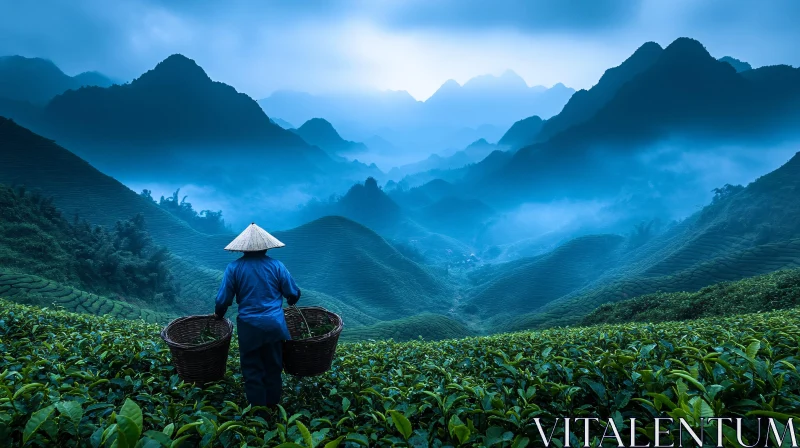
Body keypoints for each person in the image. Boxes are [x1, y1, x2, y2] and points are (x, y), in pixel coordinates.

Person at [213, 223, 301, 408]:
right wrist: (292, 300)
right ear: (266, 246)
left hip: (249, 326)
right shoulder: (277, 266)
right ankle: (273, 411)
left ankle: (257, 416)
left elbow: (223, 300)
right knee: (273, 368)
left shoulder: (234, 268)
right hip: (274, 325)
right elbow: (292, 293)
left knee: (252, 370)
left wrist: (218, 314)